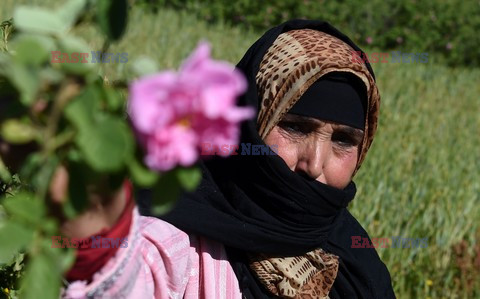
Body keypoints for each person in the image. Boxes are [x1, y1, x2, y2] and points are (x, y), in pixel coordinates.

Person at [0, 20, 394, 298]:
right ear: (251, 120)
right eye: (295, 127)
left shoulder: (354, 257)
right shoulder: (182, 239)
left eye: (343, 140)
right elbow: (122, 279)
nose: (315, 162)